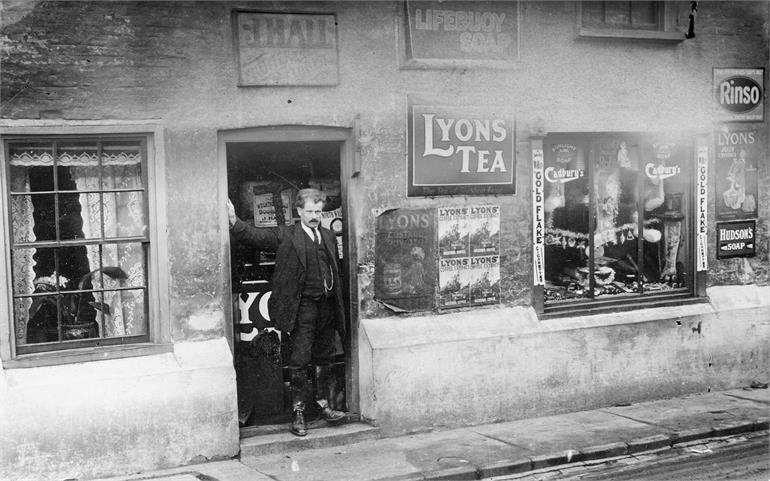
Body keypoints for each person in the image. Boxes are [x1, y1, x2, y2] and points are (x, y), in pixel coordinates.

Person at [228, 188, 347, 437]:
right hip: (301, 308)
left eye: (318, 211)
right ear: (300, 211)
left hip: (326, 307)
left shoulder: (326, 235)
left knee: (324, 356)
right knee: (300, 359)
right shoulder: (287, 235)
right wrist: (235, 222)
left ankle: (324, 405)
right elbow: (256, 237)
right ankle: (299, 412)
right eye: (310, 211)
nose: (314, 216)